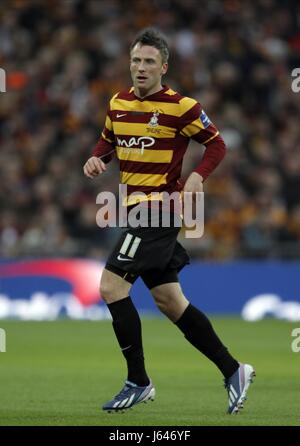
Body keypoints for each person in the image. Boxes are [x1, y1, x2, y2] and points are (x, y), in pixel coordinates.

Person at [83, 28, 255, 414]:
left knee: (111, 287)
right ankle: (233, 370)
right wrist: (97, 159)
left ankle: (138, 381)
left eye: (148, 62)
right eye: (135, 61)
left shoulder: (182, 106)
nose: (140, 68)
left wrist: (196, 177)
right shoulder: (117, 102)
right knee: (169, 300)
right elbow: (107, 140)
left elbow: (217, 143)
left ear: (164, 66)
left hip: (159, 211)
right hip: (133, 209)